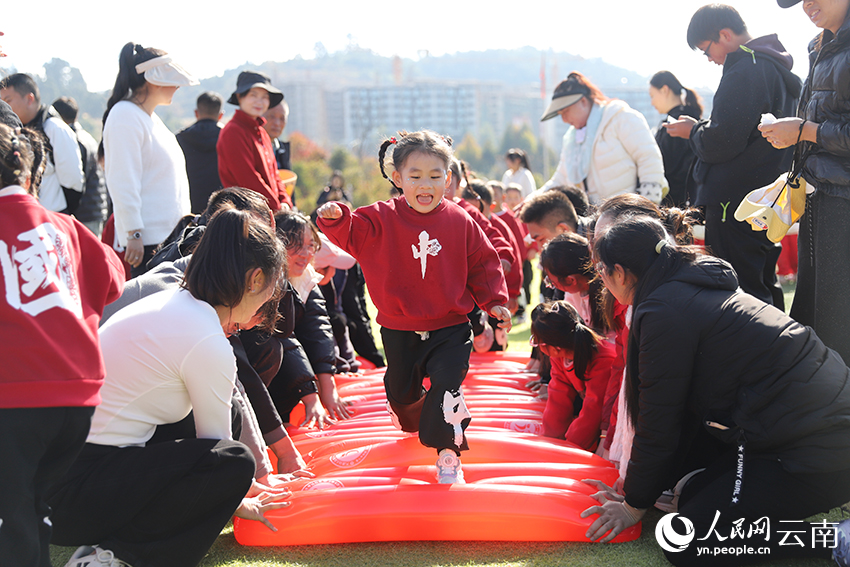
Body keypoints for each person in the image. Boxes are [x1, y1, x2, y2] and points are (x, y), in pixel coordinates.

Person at [580, 215, 850, 567]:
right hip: (788, 433)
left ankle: (833, 540)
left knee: (686, 541)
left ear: (620, 271)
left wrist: (633, 506)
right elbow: (679, 414)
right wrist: (636, 489)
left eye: (598, 268)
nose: (599, 278)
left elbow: (659, 420)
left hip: (816, 449)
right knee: (687, 492)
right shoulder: (687, 285)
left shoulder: (663, 309)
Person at [47, 207, 291, 567]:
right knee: (235, 463)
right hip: (72, 494)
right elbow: (218, 450)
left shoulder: (175, 303)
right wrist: (242, 500)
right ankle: (116, 557)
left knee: (232, 417)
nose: (270, 299)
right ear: (255, 280)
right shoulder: (206, 338)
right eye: (272, 288)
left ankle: (115, 542)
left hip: (61, 476)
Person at [317, 130, 511, 484]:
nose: (427, 184)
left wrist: (495, 302)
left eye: (436, 176)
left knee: (447, 386)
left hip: (451, 326)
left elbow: (484, 262)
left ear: (448, 179)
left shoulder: (460, 220)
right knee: (404, 393)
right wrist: (335, 218)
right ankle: (407, 411)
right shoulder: (380, 218)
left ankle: (449, 454)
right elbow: (352, 231)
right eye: (416, 176)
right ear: (397, 178)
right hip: (399, 327)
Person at [0, 124, 125, 567]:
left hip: (15, 396)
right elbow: (113, 281)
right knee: (34, 509)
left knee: (11, 517)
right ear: (32, 175)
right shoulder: (66, 227)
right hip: (77, 395)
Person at [664, 4, 802, 309]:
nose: (710, 60)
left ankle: (758, 356)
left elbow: (721, 140)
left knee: (741, 290)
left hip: (734, 201)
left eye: (706, 50)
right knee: (763, 283)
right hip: (765, 195)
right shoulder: (774, 66)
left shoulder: (746, 67)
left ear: (724, 34)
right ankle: (777, 353)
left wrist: (693, 130)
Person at [760, 0, 850, 366]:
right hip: (821, 195)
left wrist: (803, 130)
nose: (807, 4)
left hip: (841, 200)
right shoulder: (821, 45)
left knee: (835, 323)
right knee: (818, 317)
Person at [101, 42, 197, 277]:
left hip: (170, 237)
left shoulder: (149, 118)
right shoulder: (125, 115)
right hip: (149, 241)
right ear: (153, 79)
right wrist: (133, 233)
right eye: (171, 78)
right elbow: (123, 180)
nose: (176, 86)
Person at [537, 72, 666, 205]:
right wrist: (535, 199)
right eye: (560, 114)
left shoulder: (620, 117)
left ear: (583, 102)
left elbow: (649, 159)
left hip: (629, 213)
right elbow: (561, 178)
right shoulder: (572, 138)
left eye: (566, 111)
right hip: (597, 218)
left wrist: (648, 206)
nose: (564, 119)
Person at [529, 301, 615, 450]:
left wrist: (569, 448)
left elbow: (593, 411)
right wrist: (549, 442)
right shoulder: (559, 357)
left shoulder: (603, 359)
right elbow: (558, 399)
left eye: (537, 342)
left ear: (555, 347)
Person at [0, 73, 84, 214]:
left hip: (52, 216)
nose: (4, 107)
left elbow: (73, 180)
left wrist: (61, 216)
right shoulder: (15, 132)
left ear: (29, 98)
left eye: (7, 100)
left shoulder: (54, 127)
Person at [217, 70, 293, 212]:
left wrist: (285, 201)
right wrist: (277, 209)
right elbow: (248, 180)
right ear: (240, 97)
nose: (260, 102)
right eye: (254, 95)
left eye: (265, 97)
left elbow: (274, 174)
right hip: (246, 217)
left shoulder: (262, 132)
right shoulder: (233, 131)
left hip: (268, 214)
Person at [52, 96, 109, 237]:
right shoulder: (86, 137)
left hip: (83, 212)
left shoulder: (72, 140)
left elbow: (75, 178)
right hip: (95, 208)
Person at [649, 71, 703, 208]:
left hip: (674, 202)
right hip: (693, 198)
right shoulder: (694, 119)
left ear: (665, 90)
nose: (652, 102)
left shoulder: (674, 124)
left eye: (652, 96)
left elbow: (664, 166)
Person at [176, 91, 224, 213]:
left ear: (196, 113)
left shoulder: (180, 138)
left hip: (189, 205)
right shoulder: (228, 138)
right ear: (220, 115)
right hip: (220, 206)